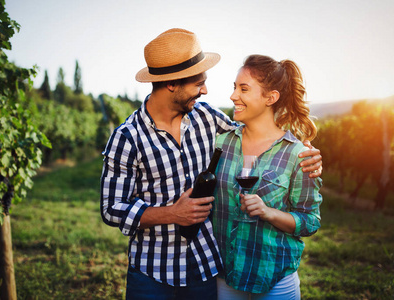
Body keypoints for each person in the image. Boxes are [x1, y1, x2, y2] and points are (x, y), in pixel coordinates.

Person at [100, 29, 322, 300]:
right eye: (198, 83)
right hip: (151, 274)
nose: (205, 90)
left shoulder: (206, 118)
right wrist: (172, 214)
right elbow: (112, 209)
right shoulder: (127, 137)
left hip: (204, 269)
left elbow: (258, 129)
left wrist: (305, 151)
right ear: (172, 84)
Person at [213, 54, 323, 300]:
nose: (233, 96)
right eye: (234, 87)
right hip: (225, 274)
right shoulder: (220, 144)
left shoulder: (297, 154)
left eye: (243, 89)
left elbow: (310, 221)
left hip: (274, 278)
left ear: (270, 98)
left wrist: (268, 212)